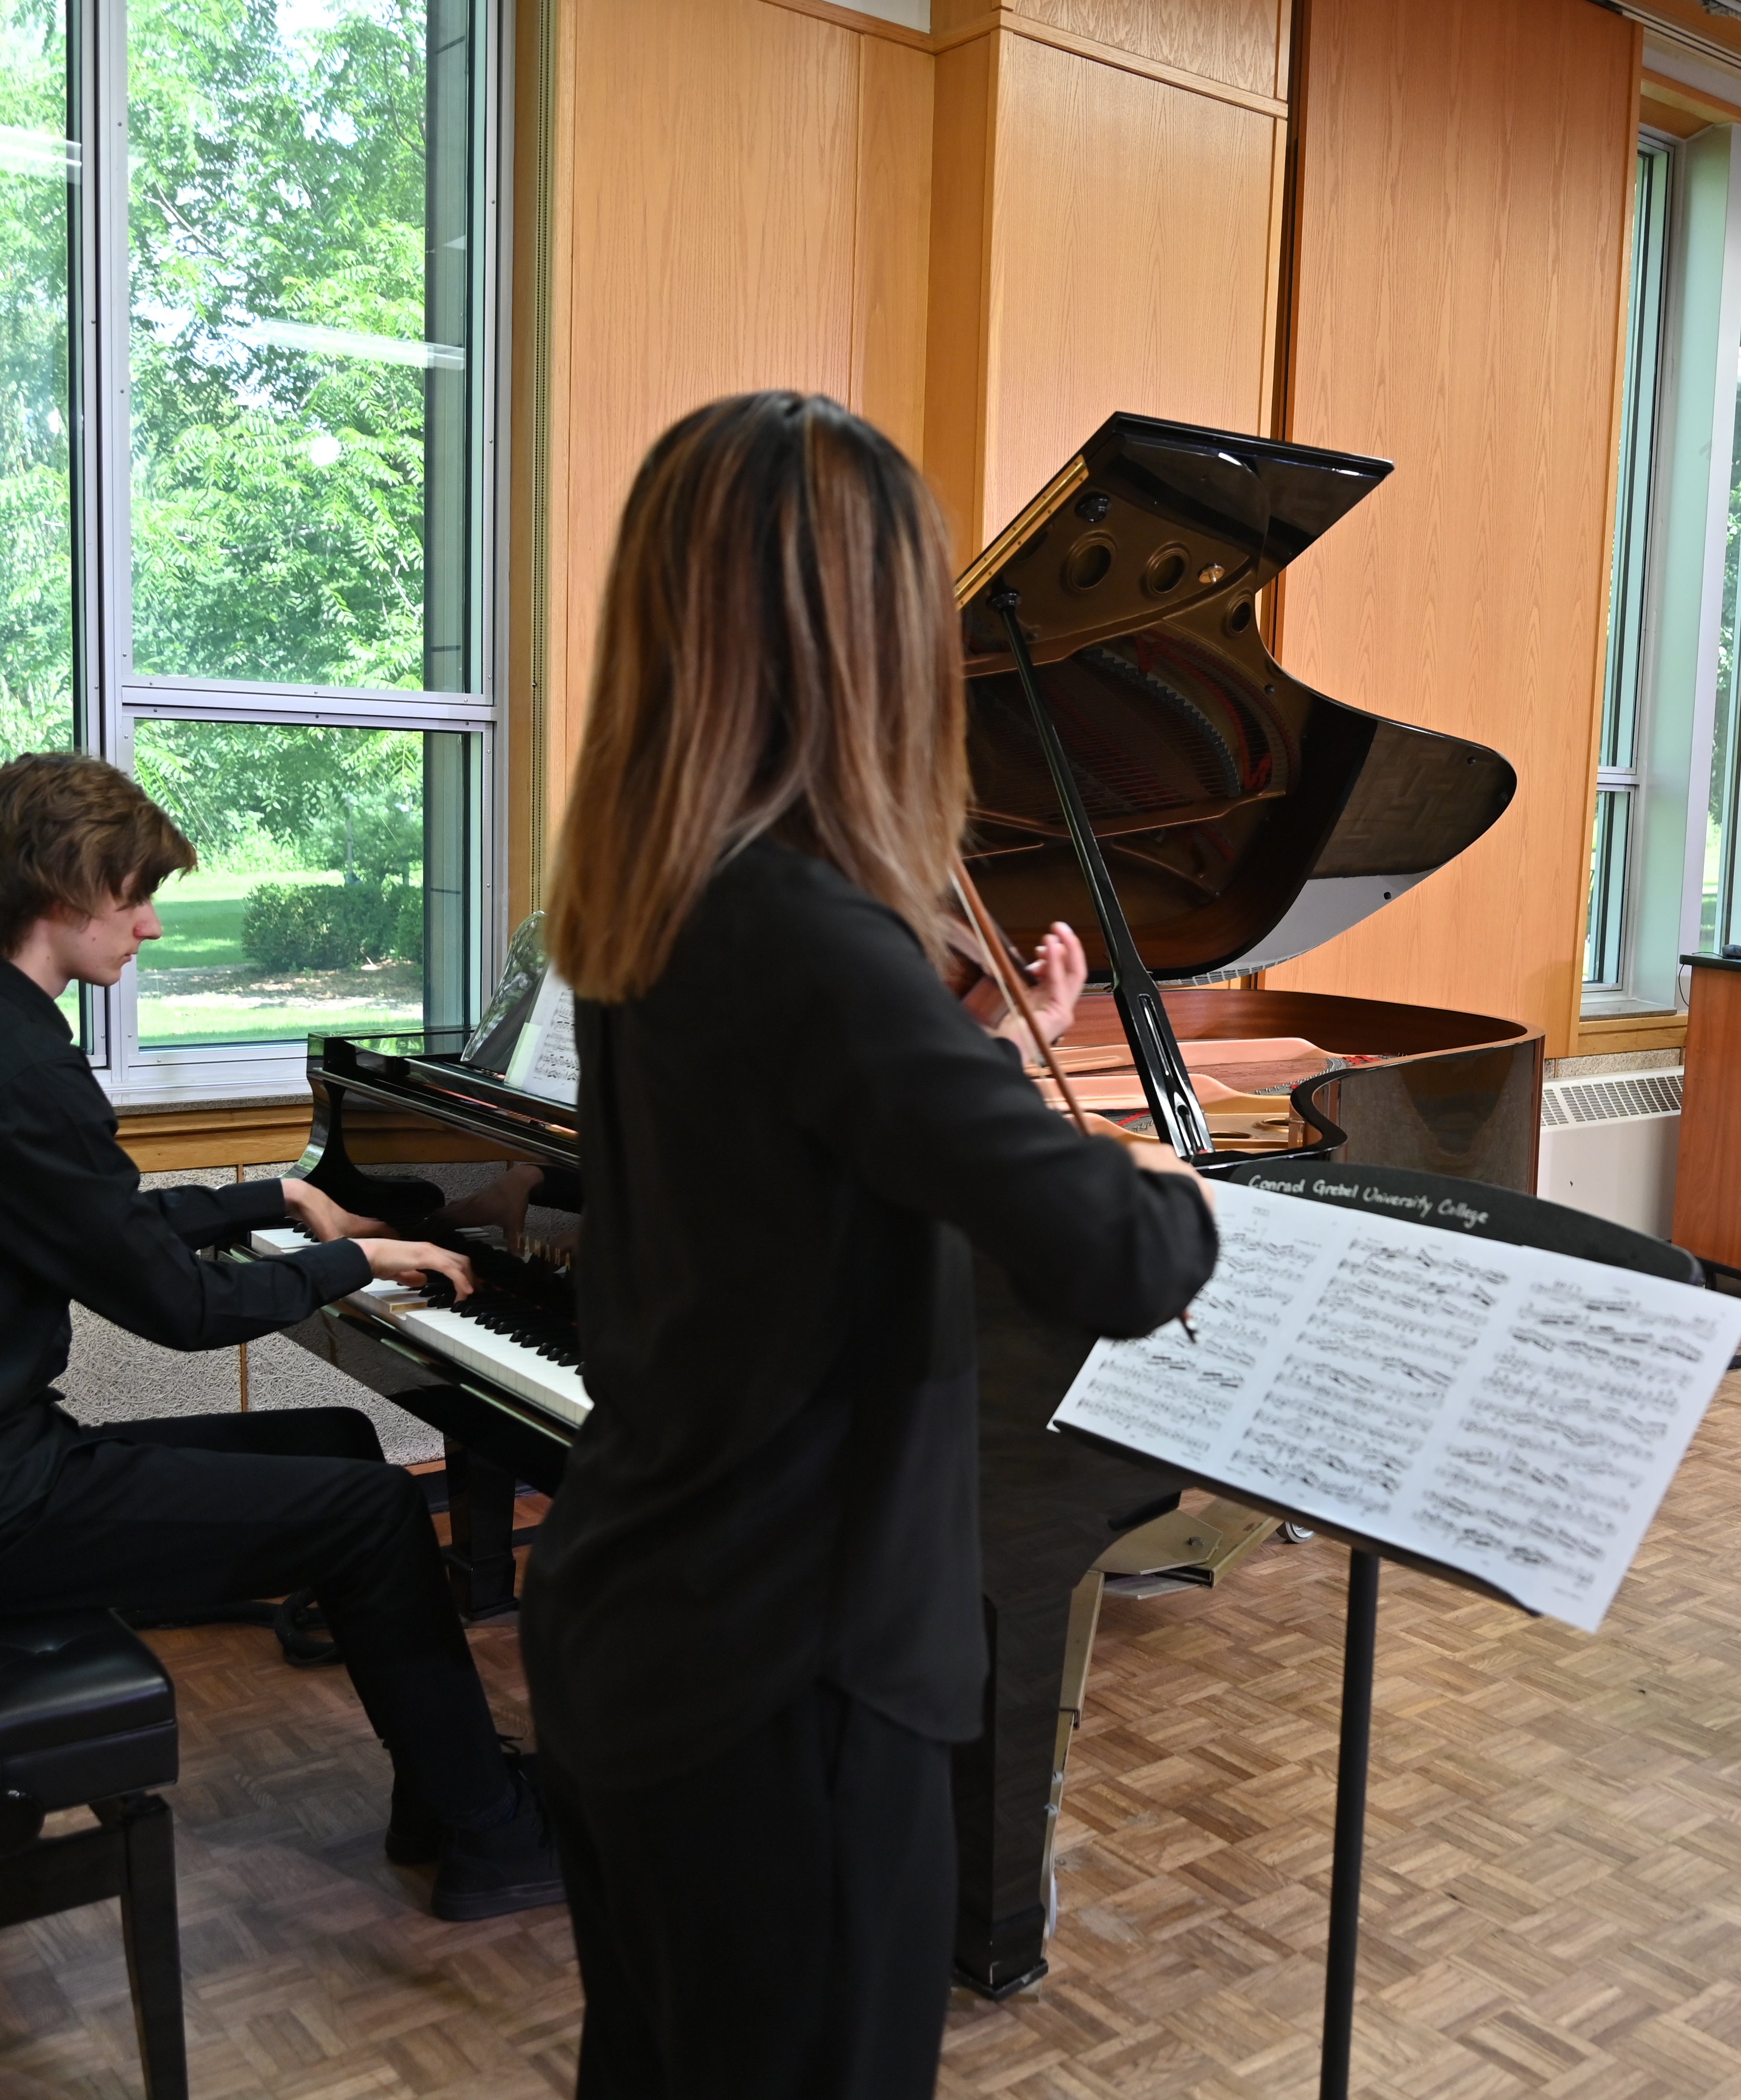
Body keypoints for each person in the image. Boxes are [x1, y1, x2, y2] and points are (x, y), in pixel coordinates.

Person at [515, 391, 1219, 2099]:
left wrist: (975, 1069)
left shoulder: (651, 900)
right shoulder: (814, 936)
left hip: (640, 1623)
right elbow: (1129, 1259)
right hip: (792, 1687)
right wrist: (1131, 1151)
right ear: (866, 646)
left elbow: (802, 1149)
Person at [0, 751, 560, 1921]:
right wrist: (355, 1256)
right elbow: (179, 1308)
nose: (152, 922)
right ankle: (493, 1832)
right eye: (133, 893)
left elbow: (91, 1224)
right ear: (60, 887)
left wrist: (276, 1201)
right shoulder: (10, 1066)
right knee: (367, 1513)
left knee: (337, 1447)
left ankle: (444, 1787)